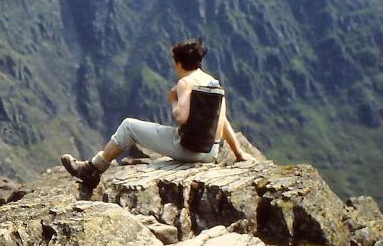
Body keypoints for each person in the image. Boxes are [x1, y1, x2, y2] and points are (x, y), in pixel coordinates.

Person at [61, 39, 249, 188]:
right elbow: (222, 121)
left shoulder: (186, 83)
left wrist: (173, 99)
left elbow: (181, 117)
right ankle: (92, 168)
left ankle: (91, 169)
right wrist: (239, 153)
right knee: (149, 130)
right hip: (210, 152)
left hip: (188, 150)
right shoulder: (214, 83)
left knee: (128, 126)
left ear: (179, 63)